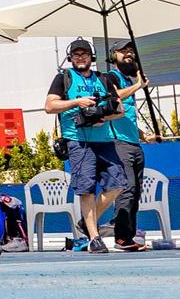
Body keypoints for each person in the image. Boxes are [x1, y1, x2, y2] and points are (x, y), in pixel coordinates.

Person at [44, 38, 126, 252]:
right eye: (77, 55)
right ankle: (94, 237)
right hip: (78, 141)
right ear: (71, 58)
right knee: (86, 189)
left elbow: (120, 110)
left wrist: (102, 117)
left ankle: (87, 222)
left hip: (104, 140)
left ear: (92, 58)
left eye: (85, 54)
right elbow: (50, 106)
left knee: (117, 184)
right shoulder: (64, 78)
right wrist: (77, 103)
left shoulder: (103, 79)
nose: (81, 58)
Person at [106, 44, 150, 251]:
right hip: (119, 143)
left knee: (135, 192)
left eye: (132, 51)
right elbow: (114, 97)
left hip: (134, 143)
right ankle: (121, 237)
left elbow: (129, 115)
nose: (129, 54)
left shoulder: (128, 80)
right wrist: (138, 85)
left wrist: (145, 135)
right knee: (127, 189)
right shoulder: (111, 77)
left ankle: (128, 235)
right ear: (113, 56)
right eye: (124, 51)